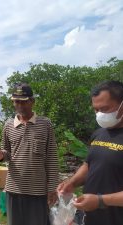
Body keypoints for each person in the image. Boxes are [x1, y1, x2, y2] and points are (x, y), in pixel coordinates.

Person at [58, 80, 123, 225]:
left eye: (104, 109)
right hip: (89, 217)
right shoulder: (99, 133)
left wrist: (100, 201)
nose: (99, 114)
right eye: (96, 109)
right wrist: (72, 182)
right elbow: (89, 164)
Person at [0, 83, 59, 225]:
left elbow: (52, 157)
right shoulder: (8, 125)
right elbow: (7, 152)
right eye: (17, 101)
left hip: (38, 191)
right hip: (14, 189)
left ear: (32, 101)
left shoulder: (45, 124)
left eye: (24, 101)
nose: (20, 105)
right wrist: (0, 155)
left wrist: (53, 187)